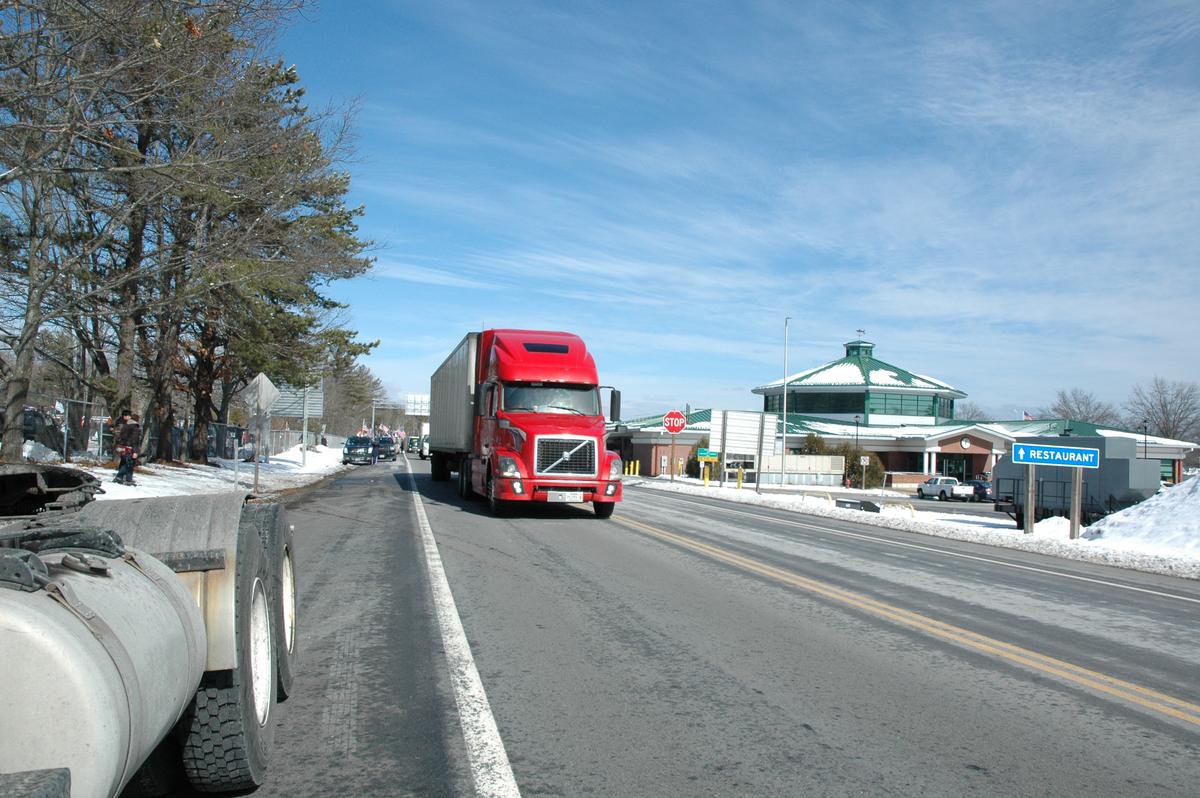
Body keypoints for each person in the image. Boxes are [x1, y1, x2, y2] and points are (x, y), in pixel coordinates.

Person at [113, 410, 141, 486]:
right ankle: (119, 477)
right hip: (129, 447)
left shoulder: (122, 425)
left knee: (124, 463)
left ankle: (128, 478)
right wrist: (135, 451)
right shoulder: (134, 427)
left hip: (121, 446)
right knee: (128, 464)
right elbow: (134, 439)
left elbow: (118, 436)